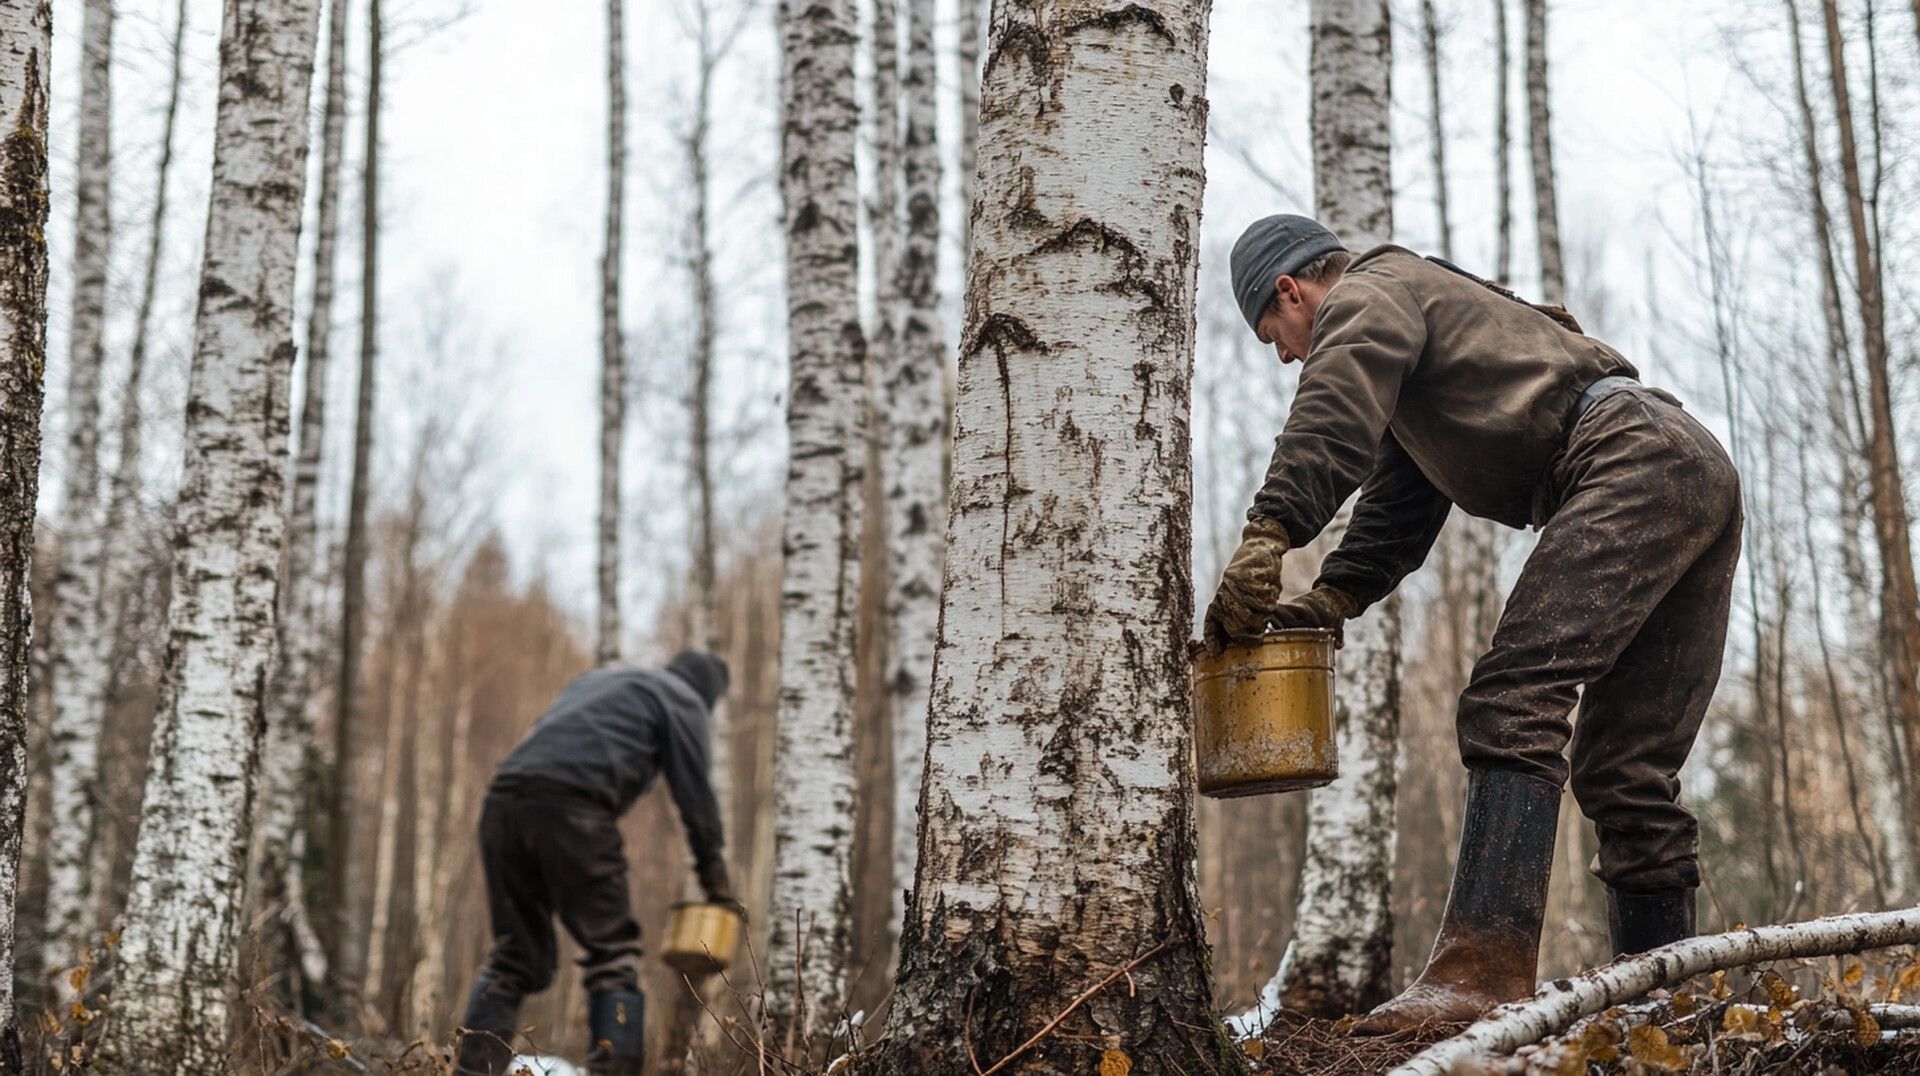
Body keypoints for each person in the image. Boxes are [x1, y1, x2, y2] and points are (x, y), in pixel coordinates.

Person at [1209, 215, 1742, 1031]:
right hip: (1689, 463)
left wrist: (1269, 533)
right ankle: (1668, 1008)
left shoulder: (1371, 289)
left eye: (1271, 333)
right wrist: (1330, 598)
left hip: (1625, 457)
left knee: (1510, 698)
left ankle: (1481, 976)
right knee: (1625, 771)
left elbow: (1334, 407)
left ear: (1292, 288)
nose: (1283, 353)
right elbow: (1399, 501)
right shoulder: (1416, 329)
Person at [454, 649, 738, 1075]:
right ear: (709, 695)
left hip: (503, 803)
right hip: (574, 808)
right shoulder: (684, 699)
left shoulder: (599, 681)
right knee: (613, 954)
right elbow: (695, 796)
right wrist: (716, 882)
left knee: (516, 955)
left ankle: (470, 1070)